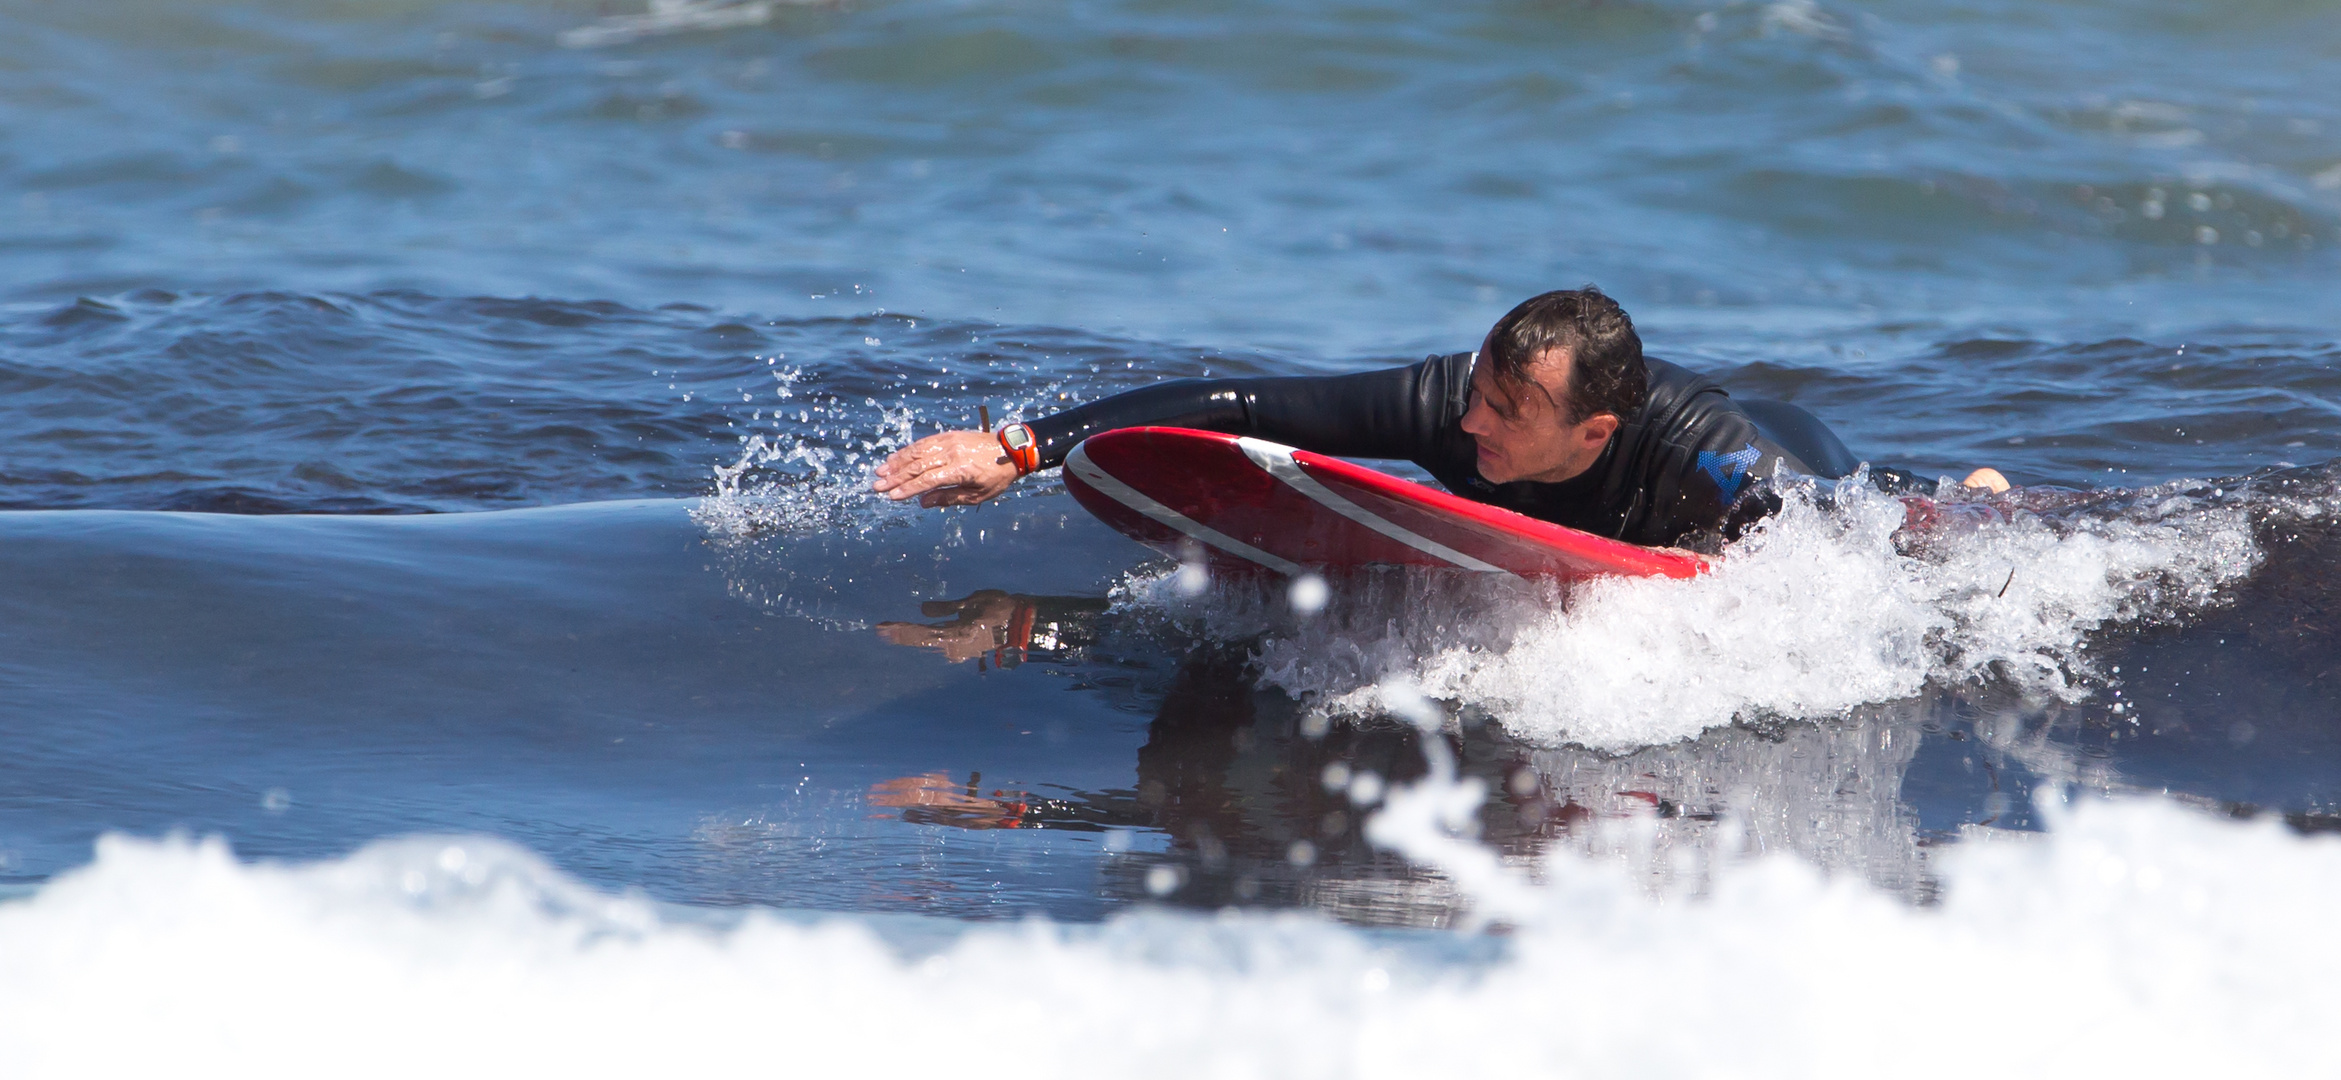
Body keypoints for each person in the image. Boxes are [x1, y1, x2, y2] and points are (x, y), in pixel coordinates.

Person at [873, 287, 2007, 550]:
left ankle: (1973, 488)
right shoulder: (1447, 409)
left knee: (1904, 523)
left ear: (1591, 435)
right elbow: (1237, 401)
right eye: (1478, 391)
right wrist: (1021, 448)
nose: (1474, 426)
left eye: (1511, 413)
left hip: (1795, 455)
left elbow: (1831, 571)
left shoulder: (1705, 465)